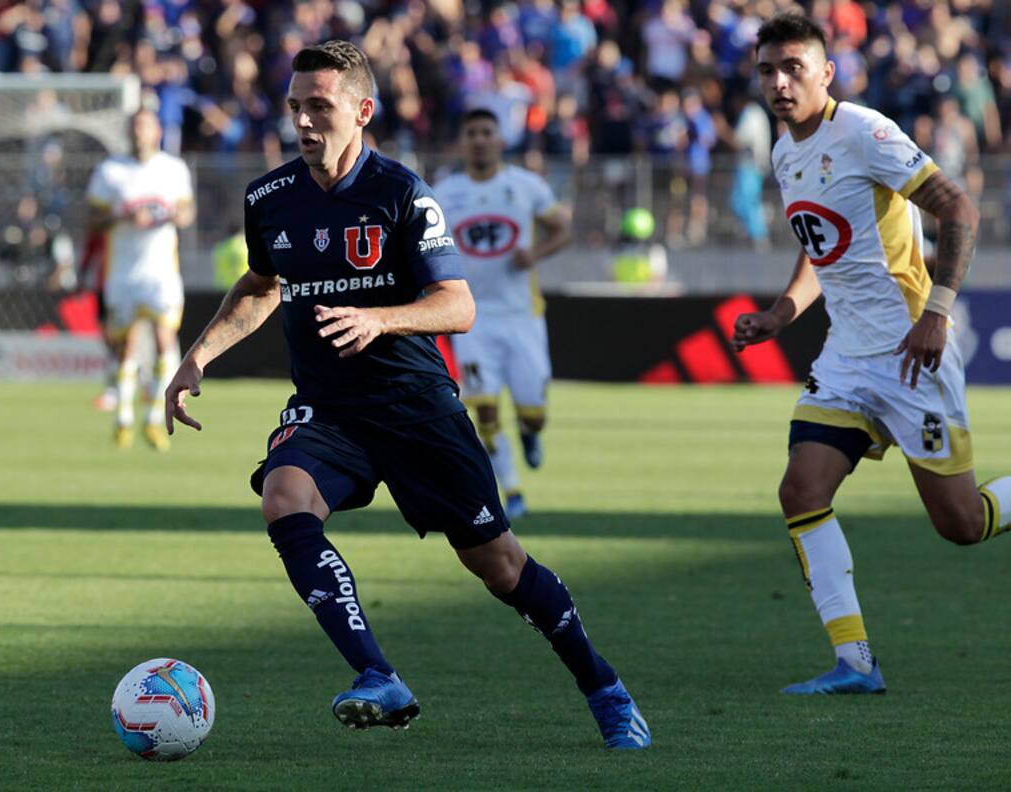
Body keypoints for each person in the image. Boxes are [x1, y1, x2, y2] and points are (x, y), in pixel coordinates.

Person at [165, 40, 649, 749]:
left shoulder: (401, 192)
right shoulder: (269, 198)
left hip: (415, 405)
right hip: (330, 409)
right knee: (284, 497)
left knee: (498, 565)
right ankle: (377, 675)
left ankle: (604, 687)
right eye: (295, 106)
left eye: (319, 107)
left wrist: (381, 318)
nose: (303, 121)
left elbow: (457, 305)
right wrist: (196, 357)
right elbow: (262, 286)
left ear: (361, 111)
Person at [733, 13, 1011, 696]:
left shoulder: (865, 131)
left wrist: (939, 311)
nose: (779, 81)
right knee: (800, 490)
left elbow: (959, 209)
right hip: (847, 357)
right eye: (768, 69)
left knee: (961, 524)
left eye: (793, 67)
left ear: (826, 72)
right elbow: (817, 242)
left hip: (912, 349)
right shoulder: (784, 151)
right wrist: (782, 312)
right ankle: (854, 662)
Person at [434, 108, 571, 518]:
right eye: (471, 132)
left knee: (533, 412)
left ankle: (531, 433)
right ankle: (512, 492)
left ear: (499, 139)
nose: (479, 139)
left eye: (486, 132)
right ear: (463, 141)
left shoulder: (526, 186)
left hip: (522, 317)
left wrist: (537, 253)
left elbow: (561, 229)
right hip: (471, 319)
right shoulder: (443, 192)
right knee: (485, 409)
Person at [87, 107, 195, 451]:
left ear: (157, 131)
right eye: (134, 127)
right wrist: (119, 214)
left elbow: (188, 212)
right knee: (126, 347)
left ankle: (152, 419)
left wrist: (177, 214)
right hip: (122, 273)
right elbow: (90, 218)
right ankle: (123, 417)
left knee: (165, 340)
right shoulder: (111, 171)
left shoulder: (173, 169)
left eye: (145, 127)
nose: (139, 133)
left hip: (162, 273)